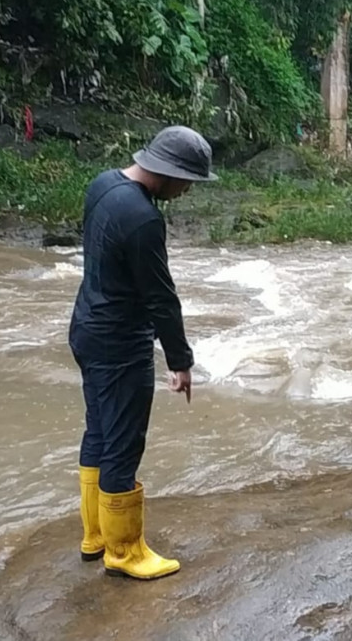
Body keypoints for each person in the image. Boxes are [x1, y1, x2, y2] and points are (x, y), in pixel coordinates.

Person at [67, 125, 217, 580]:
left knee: (99, 431)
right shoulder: (144, 219)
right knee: (124, 444)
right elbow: (160, 297)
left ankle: (94, 536)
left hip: (87, 329)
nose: (188, 191)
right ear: (168, 173)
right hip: (120, 343)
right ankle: (125, 551)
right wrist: (180, 360)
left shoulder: (103, 185)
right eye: (187, 181)